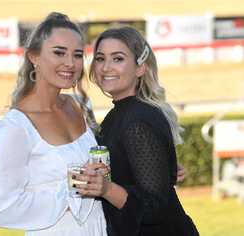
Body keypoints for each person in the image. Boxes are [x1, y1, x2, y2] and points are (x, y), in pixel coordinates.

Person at [0, 12, 108, 236]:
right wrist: (76, 184)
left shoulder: (79, 105)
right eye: (59, 52)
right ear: (34, 56)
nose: (70, 63)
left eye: (78, 54)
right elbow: (2, 209)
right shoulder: (17, 126)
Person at [74, 26, 199, 235]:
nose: (106, 67)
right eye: (100, 58)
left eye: (118, 58)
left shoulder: (136, 121)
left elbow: (155, 208)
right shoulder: (122, 113)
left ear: (140, 67)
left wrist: (106, 189)